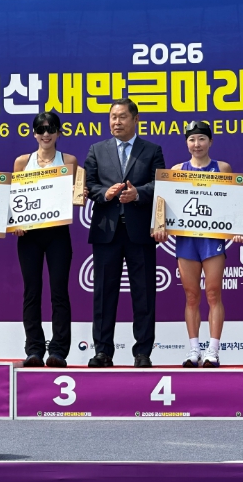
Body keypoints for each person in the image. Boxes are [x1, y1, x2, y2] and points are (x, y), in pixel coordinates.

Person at [156, 121, 243, 368]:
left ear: (210, 141)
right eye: (192, 139)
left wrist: (237, 228)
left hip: (212, 239)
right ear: (187, 143)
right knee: (191, 295)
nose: (197, 144)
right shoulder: (177, 170)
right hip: (186, 239)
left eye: (202, 139)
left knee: (213, 293)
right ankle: (194, 349)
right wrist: (160, 225)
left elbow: (234, 202)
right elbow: (166, 203)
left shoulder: (222, 168)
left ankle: (213, 350)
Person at [84, 98, 165, 368]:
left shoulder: (151, 150)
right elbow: (89, 184)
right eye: (113, 117)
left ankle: (143, 352)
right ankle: (103, 352)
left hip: (139, 231)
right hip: (106, 231)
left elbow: (160, 184)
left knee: (144, 293)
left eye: (122, 117)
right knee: (103, 294)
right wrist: (104, 194)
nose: (116, 122)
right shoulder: (97, 149)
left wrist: (138, 194)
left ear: (135, 119)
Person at [12, 111, 85, 368]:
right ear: (34, 133)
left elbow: (77, 196)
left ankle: (58, 350)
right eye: (41, 129)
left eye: (51, 129)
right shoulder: (22, 162)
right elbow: (16, 198)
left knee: (59, 292)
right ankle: (33, 348)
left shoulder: (69, 161)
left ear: (58, 133)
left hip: (57, 234)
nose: (46, 134)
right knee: (31, 292)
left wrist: (79, 193)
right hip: (29, 236)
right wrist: (17, 222)